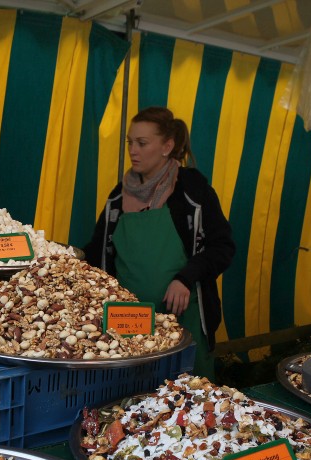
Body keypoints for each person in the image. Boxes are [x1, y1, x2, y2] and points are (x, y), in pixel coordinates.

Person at [84, 107, 235, 378]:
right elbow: (97, 252)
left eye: (142, 143)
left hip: (183, 321)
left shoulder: (191, 190)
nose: (133, 151)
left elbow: (222, 246)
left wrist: (185, 278)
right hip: (127, 324)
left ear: (167, 147)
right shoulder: (118, 197)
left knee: (187, 394)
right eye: (130, 142)